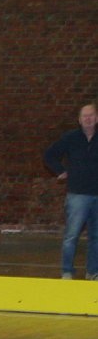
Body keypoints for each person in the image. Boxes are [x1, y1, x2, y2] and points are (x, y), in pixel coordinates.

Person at [43, 102, 98, 280]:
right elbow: (49, 155)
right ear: (79, 120)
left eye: (91, 116)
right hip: (77, 196)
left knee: (96, 238)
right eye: (85, 116)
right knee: (71, 235)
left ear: (96, 118)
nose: (88, 119)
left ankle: (93, 272)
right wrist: (60, 171)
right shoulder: (70, 138)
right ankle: (67, 271)